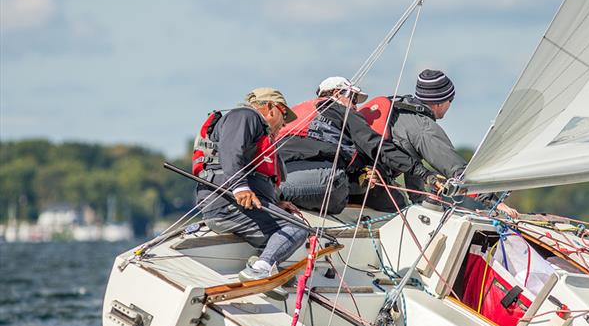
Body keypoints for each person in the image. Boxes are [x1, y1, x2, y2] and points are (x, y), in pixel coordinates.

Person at [360, 69, 520, 218]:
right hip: (367, 188)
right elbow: (456, 171)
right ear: (439, 103)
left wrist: (419, 200)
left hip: (353, 181)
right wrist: (495, 203)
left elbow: (410, 165)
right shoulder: (424, 128)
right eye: (451, 99)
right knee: (401, 207)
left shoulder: (397, 110)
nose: (450, 104)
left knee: (409, 206)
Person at [194, 87, 309, 282]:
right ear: (271, 108)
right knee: (297, 227)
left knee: (285, 230)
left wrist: (275, 203)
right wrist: (240, 188)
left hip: (234, 206)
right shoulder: (246, 116)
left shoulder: (255, 127)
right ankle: (259, 270)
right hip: (228, 204)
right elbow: (231, 151)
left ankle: (264, 267)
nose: (283, 125)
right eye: (283, 117)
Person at [276, 77, 400, 215]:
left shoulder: (299, 115)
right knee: (338, 184)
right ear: (337, 93)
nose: (355, 107)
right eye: (353, 100)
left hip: (281, 174)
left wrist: (362, 179)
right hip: (318, 182)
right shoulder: (338, 115)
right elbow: (373, 147)